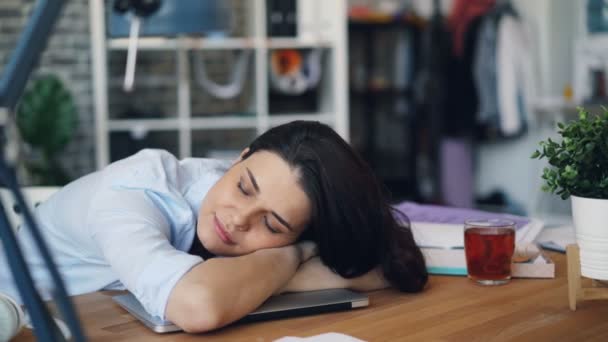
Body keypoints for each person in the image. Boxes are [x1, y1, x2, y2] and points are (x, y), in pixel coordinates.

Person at [0, 120, 427, 333]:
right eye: (244, 187)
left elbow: (374, 269)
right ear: (238, 159)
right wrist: (293, 254)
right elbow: (198, 306)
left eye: (273, 224)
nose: (238, 219)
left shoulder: (242, 204)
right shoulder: (133, 196)